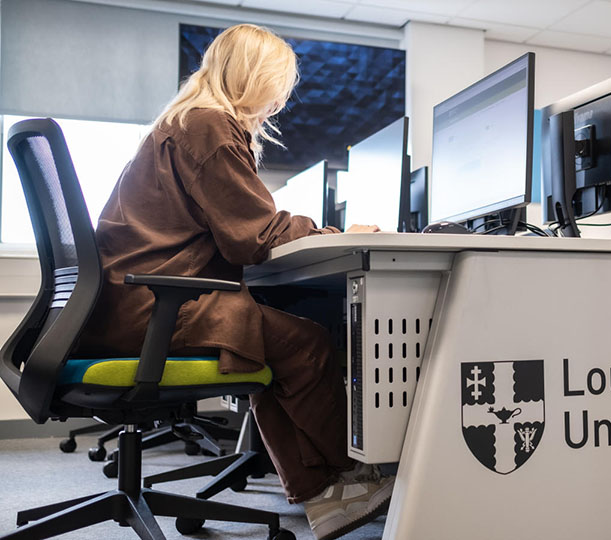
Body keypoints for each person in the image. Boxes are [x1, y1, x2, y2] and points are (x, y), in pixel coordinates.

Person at [75, 24, 391, 540]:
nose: (279, 101)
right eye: (279, 86)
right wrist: (335, 232)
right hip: (155, 307)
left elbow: (239, 230)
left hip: (135, 301)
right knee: (307, 344)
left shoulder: (183, 122)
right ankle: (337, 482)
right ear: (257, 78)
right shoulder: (209, 126)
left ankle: (323, 491)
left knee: (269, 342)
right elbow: (254, 236)